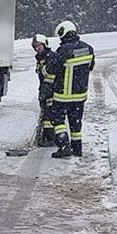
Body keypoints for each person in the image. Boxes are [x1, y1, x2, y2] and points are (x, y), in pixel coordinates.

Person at [47, 20, 95, 159]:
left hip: (63, 95)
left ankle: (64, 147)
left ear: (64, 33)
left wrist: (45, 69)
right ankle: (77, 149)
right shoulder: (88, 48)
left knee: (58, 120)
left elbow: (52, 69)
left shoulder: (63, 50)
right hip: (80, 95)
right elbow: (91, 66)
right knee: (76, 123)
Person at [33, 34, 56, 145]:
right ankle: (47, 136)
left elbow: (52, 75)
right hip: (45, 89)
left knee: (49, 115)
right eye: (35, 47)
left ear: (44, 44)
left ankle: (50, 138)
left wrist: (46, 91)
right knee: (46, 113)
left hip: (52, 90)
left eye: (39, 46)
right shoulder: (41, 58)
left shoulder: (50, 57)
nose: (37, 49)